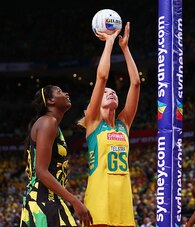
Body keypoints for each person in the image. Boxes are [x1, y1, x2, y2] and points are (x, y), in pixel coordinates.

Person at [78, 21, 140, 226]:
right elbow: (102, 77)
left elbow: (136, 83)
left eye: (114, 91)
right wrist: (110, 42)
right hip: (99, 196)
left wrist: (125, 48)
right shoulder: (93, 123)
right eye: (106, 93)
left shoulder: (124, 124)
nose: (111, 92)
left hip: (123, 196)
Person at [19, 85, 92, 227]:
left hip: (46, 199)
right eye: (59, 91)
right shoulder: (48, 122)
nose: (66, 93)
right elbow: (41, 170)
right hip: (44, 200)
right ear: (50, 101)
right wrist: (75, 201)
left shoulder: (51, 124)